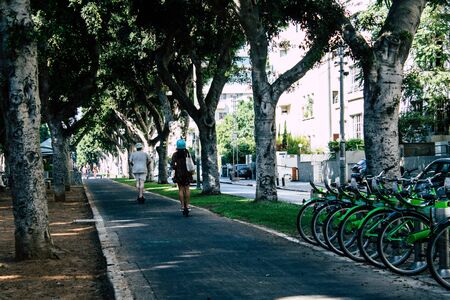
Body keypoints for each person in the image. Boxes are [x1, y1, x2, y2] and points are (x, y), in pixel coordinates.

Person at [171, 139, 194, 215]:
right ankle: (187, 205)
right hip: (187, 173)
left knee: (180, 189)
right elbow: (190, 162)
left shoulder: (175, 154)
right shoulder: (187, 153)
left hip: (179, 174)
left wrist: (176, 167)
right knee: (187, 189)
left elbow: (172, 165)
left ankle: (182, 206)